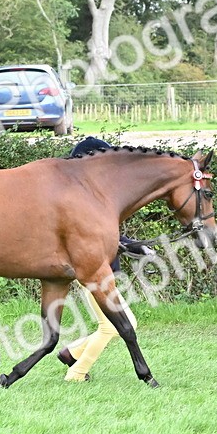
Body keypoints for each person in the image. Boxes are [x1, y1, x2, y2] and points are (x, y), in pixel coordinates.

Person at [57, 136, 158, 382]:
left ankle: (72, 353)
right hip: (91, 274)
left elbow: (113, 238)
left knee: (117, 324)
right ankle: (76, 372)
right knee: (116, 325)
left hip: (101, 273)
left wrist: (140, 248)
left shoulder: (94, 199)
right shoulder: (80, 201)